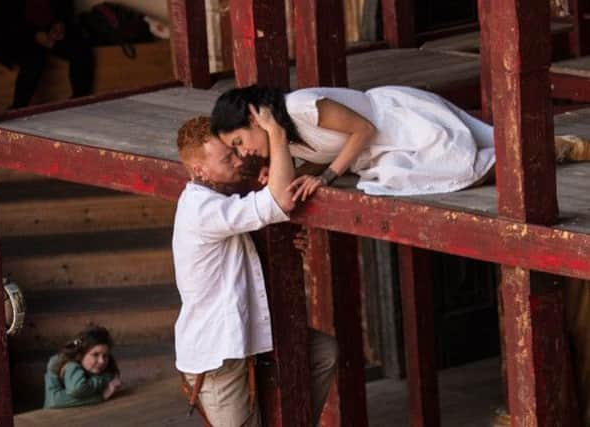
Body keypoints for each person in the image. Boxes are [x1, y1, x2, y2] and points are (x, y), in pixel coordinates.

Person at [173, 110, 338, 426]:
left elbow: (238, 249)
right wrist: (276, 133)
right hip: (217, 355)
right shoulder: (201, 208)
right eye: (226, 160)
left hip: (244, 337)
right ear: (199, 170)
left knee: (322, 353)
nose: (237, 161)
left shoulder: (220, 195)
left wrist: (284, 244)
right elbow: (280, 201)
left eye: (234, 152)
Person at [209, 85, 590, 200]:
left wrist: (325, 178)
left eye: (240, 141)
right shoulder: (284, 138)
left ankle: (548, 150)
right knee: (394, 177)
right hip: (383, 152)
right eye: (238, 151)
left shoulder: (300, 107)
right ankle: (547, 151)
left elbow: (363, 130)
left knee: (455, 166)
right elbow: (308, 165)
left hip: (398, 121)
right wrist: (278, 161)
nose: (244, 153)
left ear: (255, 116)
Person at [0, 0, 94, 109]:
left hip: (48, 30)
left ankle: (80, 101)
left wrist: (60, 23)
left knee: (80, 48)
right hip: (12, 34)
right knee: (33, 58)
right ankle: (17, 108)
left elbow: (64, 6)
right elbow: (2, 19)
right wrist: (34, 35)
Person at [43, 325, 122, 409]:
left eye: (105, 355)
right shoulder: (57, 363)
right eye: (95, 355)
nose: (101, 361)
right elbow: (54, 401)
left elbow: (113, 377)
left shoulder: (108, 366)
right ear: (81, 354)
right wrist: (100, 396)